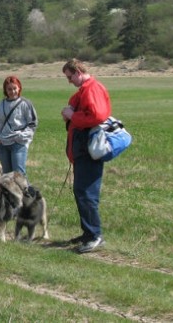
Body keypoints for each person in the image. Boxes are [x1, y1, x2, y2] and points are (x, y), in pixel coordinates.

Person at [61, 59, 111, 254]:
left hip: (89, 151)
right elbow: (75, 104)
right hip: (83, 150)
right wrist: (70, 110)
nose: (69, 81)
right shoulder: (84, 90)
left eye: (69, 76)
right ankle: (88, 232)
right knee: (81, 192)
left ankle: (95, 235)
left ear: (78, 71)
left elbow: (98, 116)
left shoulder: (92, 89)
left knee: (87, 194)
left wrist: (72, 115)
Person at [0, 76, 38, 178]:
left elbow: (32, 124)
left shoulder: (25, 104)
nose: (12, 91)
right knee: (7, 176)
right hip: (3, 144)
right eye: (9, 89)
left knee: (18, 174)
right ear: (5, 90)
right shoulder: (0, 104)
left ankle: (26, 194)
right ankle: (10, 194)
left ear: (19, 88)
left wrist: (21, 136)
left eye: (14, 88)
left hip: (18, 144)